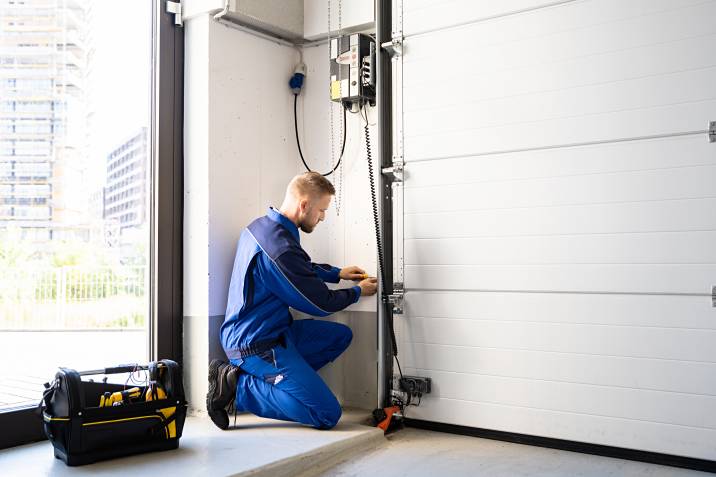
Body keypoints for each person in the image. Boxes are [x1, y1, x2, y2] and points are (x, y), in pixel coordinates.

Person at [207, 172, 378, 430]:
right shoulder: (278, 249)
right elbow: (320, 304)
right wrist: (356, 292)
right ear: (304, 205)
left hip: (276, 332)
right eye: (321, 210)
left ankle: (284, 385)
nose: (323, 217)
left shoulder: (262, 227)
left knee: (339, 336)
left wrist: (337, 273)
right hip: (254, 346)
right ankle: (237, 387)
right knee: (327, 414)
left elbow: (298, 268)